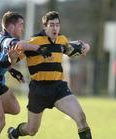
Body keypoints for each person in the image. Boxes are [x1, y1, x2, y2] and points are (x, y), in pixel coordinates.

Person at [0, 11, 51, 139]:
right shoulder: (6, 40)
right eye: (21, 24)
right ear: (11, 27)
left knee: (15, 109)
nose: (23, 28)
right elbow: (20, 45)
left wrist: (11, 70)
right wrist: (39, 49)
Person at [8, 11, 92, 139]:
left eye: (57, 25)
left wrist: (86, 46)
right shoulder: (34, 41)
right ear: (45, 26)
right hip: (39, 90)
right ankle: (15, 133)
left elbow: (75, 49)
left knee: (81, 118)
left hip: (59, 88)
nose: (55, 28)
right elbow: (14, 60)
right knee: (31, 130)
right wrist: (12, 58)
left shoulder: (62, 40)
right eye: (51, 25)